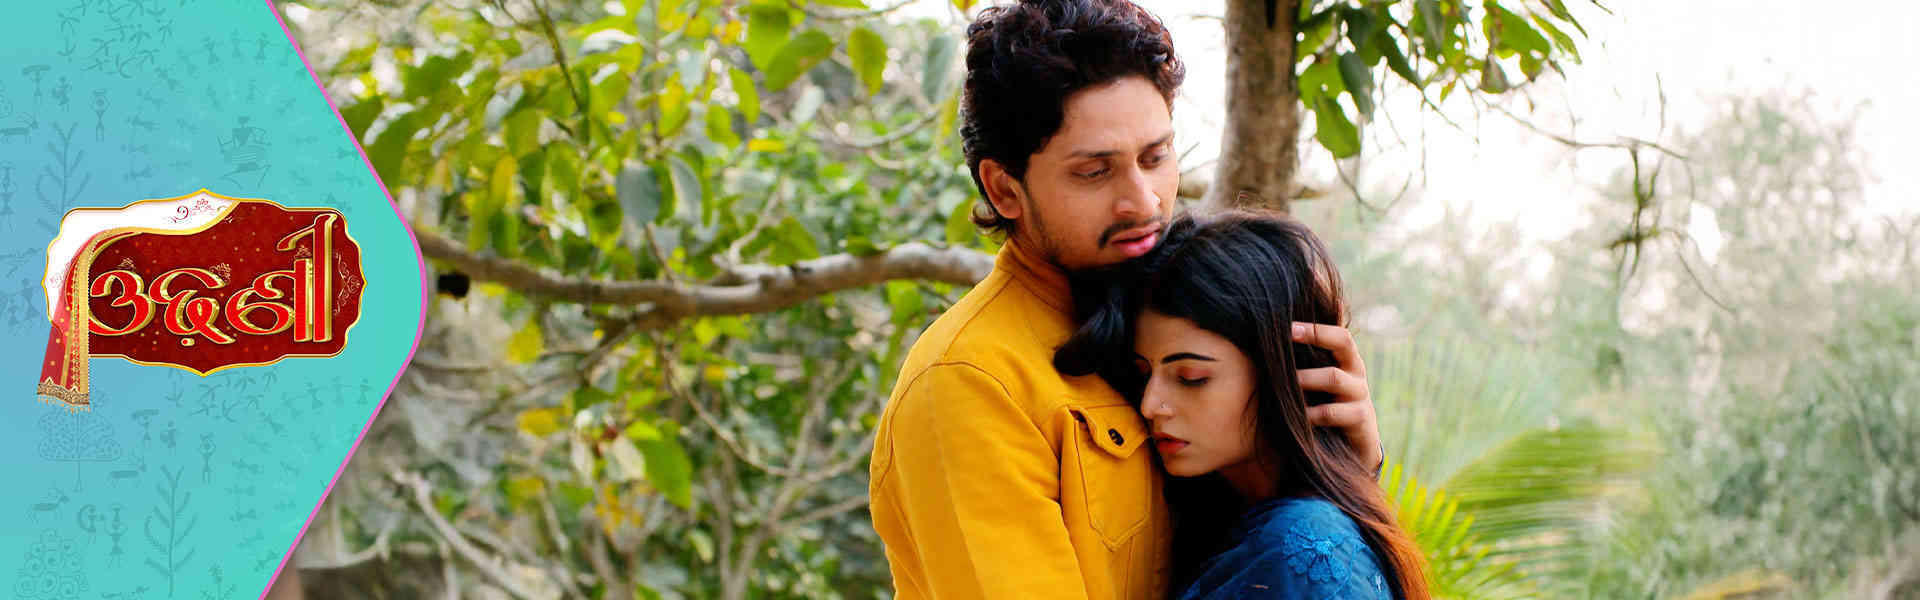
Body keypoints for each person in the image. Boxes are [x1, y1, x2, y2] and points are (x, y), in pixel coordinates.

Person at [866, 1, 1386, 598]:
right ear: (1005, 189)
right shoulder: (973, 384)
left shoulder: (1166, 315)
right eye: (1095, 172)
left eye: (1155, 157)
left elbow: (1267, 556)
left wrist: (1344, 466)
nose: (1143, 201)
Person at [1054, 211, 1429, 599]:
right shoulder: (1213, 518)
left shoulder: (1305, 550)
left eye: (1191, 377)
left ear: (1280, 373)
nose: (1150, 405)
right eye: (1143, 374)